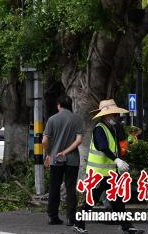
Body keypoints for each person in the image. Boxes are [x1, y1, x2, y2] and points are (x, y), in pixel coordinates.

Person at [73, 99, 144, 234]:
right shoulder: (99, 129)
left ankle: (127, 227)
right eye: (114, 114)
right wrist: (117, 160)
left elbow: (117, 147)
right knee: (91, 201)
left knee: (118, 201)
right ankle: (78, 224)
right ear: (106, 115)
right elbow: (103, 147)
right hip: (98, 174)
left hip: (110, 173)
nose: (116, 117)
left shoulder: (112, 128)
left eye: (117, 114)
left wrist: (120, 157)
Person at [42, 94, 83, 226]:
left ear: (58, 105)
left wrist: (48, 154)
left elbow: (44, 141)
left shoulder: (52, 119)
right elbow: (79, 140)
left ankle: (53, 216)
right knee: (71, 187)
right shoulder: (77, 119)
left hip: (55, 159)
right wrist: (66, 151)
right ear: (70, 105)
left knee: (54, 187)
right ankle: (71, 218)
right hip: (73, 159)